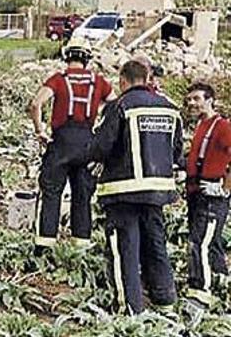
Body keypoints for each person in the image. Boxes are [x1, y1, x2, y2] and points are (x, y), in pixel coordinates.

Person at [88, 60, 182, 314]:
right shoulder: (170, 108)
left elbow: (102, 146)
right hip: (158, 191)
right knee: (155, 245)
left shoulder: (120, 106)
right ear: (147, 78)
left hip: (124, 191)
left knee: (125, 250)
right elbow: (176, 151)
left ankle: (129, 309)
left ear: (123, 81)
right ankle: (165, 301)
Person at [28, 38, 114, 248]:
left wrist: (40, 131)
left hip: (61, 142)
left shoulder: (58, 79)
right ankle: (80, 244)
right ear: (87, 59)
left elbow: (36, 104)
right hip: (87, 143)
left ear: (67, 57)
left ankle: (45, 244)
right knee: (83, 195)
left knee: (52, 192)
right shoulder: (99, 82)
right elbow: (115, 107)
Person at [183, 82, 231, 307]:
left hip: (212, 195)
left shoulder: (222, 126)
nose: (191, 103)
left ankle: (200, 291)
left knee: (199, 242)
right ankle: (222, 283)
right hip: (197, 193)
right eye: (189, 99)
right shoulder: (202, 126)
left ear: (209, 100)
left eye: (196, 99)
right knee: (212, 243)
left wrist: (224, 188)